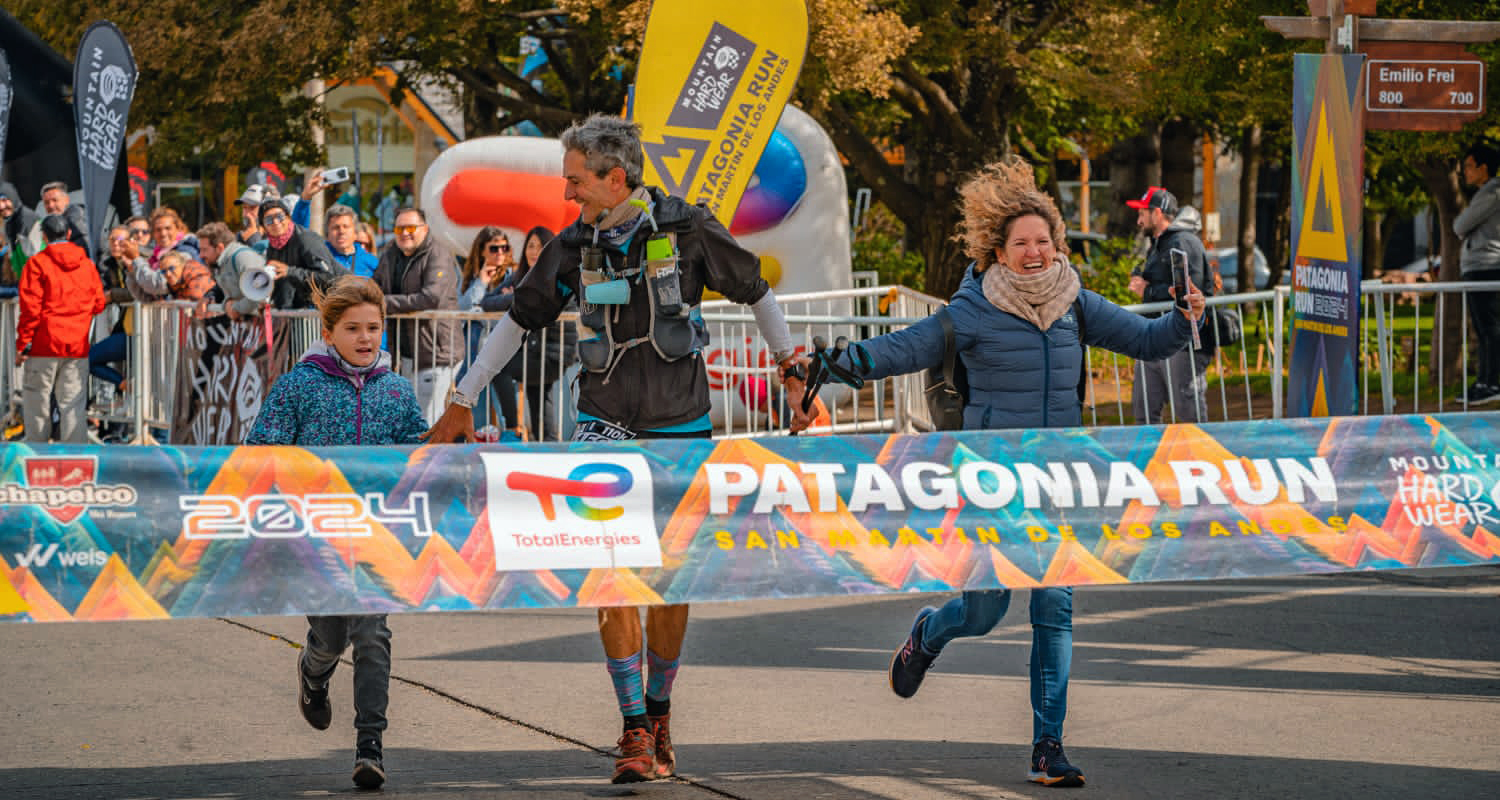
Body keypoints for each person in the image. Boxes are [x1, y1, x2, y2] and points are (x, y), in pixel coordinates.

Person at [424, 113, 810, 784]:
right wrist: (463, 397)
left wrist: (792, 371)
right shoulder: (573, 245)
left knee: (670, 581)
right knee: (609, 577)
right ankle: (633, 729)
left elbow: (757, 291)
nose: (567, 193)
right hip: (603, 426)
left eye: (576, 181)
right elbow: (517, 322)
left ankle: (659, 713)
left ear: (615, 178)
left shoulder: (687, 229)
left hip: (681, 428)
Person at [796, 159, 1203, 789]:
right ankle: (928, 634)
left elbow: (1147, 343)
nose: (1035, 252)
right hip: (991, 481)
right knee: (986, 611)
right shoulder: (976, 310)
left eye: (1044, 241)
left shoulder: (1076, 303)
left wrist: (1182, 318)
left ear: (1056, 245)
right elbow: (902, 347)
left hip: (1057, 481)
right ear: (999, 252)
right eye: (1022, 244)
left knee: (1055, 610)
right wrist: (835, 363)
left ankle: (1048, 747)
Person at [245, 275, 428, 791]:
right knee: (332, 634)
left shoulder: (395, 389)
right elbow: (262, 447)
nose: (366, 338)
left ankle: (370, 744)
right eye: (353, 329)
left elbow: (415, 452)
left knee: (372, 632)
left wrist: (451, 450)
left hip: (376, 537)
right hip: (314, 538)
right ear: (329, 332)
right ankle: (314, 669)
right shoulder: (301, 383)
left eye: (374, 328)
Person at [16, 215, 107, 443]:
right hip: (76, 344)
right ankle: (74, 455)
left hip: (43, 343)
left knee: (37, 398)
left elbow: (30, 309)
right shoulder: (86, 265)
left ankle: (37, 452)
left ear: (44, 237)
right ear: (68, 234)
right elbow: (99, 303)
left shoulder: (37, 263)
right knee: (72, 403)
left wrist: (22, 344)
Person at [1126, 186, 1212, 424]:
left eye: (1143, 212)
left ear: (1157, 213)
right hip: (1154, 336)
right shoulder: (1159, 244)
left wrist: (1148, 291)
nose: (1139, 219)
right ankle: (1147, 458)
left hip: (1182, 343)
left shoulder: (1184, 241)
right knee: (1144, 410)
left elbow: (1192, 292)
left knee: (1188, 411)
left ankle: (1197, 457)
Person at [370, 207, 460, 424]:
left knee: (426, 417)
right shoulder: (391, 254)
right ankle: (413, 456)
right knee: (408, 416)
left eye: (410, 227)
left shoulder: (438, 255)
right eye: (399, 228)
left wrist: (384, 303)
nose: (404, 233)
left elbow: (431, 298)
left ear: (425, 228)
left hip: (436, 351)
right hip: (405, 354)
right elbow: (374, 288)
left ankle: (426, 458)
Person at [456, 226, 520, 430]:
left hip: (504, 354)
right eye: (494, 248)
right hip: (475, 354)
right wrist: (482, 282)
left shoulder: (515, 275)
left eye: (504, 247)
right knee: (477, 413)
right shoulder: (472, 277)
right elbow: (464, 308)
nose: (500, 253)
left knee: (505, 413)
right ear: (482, 250)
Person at [1456, 142, 1500, 405]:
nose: (1465, 172)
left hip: (1487, 266)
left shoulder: (1492, 192)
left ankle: (1491, 382)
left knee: (1489, 327)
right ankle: (1484, 381)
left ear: (1484, 168)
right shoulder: (1486, 192)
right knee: (1484, 329)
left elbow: (1461, 225)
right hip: (1480, 266)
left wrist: (1461, 224)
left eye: (1469, 167)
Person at [261, 197, 347, 309]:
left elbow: (328, 277)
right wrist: (269, 302)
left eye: (280, 216)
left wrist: (290, 271)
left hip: (343, 301)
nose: (275, 222)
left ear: (288, 218)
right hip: (312, 309)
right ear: (263, 227)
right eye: (268, 220)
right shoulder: (273, 247)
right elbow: (284, 286)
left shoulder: (306, 239)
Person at [197, 222, 270, 320]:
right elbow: (231, 297)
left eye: (204, 250)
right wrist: (226, 304)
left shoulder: (242, 258)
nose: (200, 255)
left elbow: (260, 292)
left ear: (219, 248)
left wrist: (236, 308)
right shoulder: (220, 264)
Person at [324, 204, 379, 279]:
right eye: (336, 227)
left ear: (355, 233)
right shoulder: (321, 258)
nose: (341, 231)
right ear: (327, 234)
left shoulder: (371, 261)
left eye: (346, 226)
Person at [39, 181, 91, 256]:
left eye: (55, 200)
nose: (51, 205)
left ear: (67, 200)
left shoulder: (76, 221)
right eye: (46, 202)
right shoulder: (52, 224)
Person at [234, 184, 269, 254]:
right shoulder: (239, 237)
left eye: (252, 208)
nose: (247, 214)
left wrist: (254, 237)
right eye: (244, 207)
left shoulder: (275, 239)